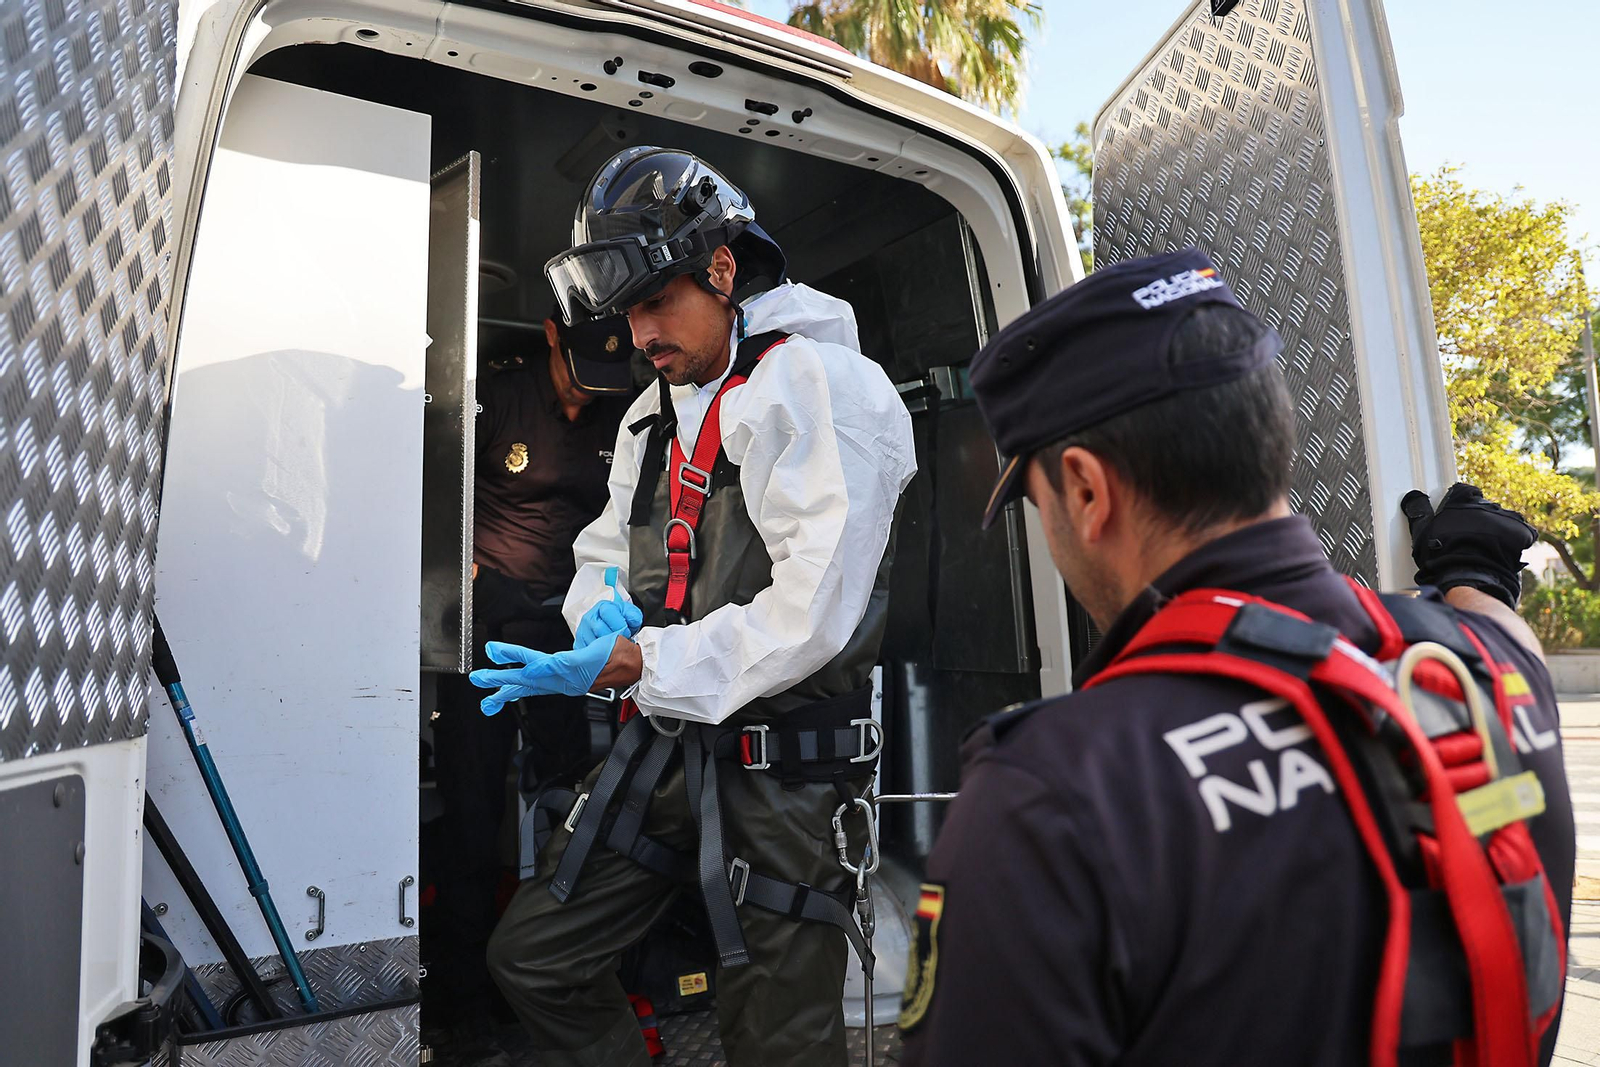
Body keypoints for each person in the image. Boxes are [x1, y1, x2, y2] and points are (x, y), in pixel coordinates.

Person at [898, 249, 1575, 1067]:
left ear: (1084, 489)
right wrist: (1471, 576)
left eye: (1037, 505)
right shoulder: (1493, 673)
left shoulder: (1055, 799)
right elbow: (1502, 623)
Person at [469, 146, 916, 1067]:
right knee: (535, 959)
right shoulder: (651, 412)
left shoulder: (821, 386)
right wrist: (600, 614)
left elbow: (814, 609)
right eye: (627, 311)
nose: (638, 334)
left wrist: (648, 663)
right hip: (670, 741)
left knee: (777, 1043)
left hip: (784, 769)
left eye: (656, 301)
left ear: (723, 267)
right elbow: (601, 550)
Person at [425, 307, 635, 1062]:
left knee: (574, 806)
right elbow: (433, 489)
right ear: (553, 335)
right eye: (580, 375)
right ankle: (458, 1001)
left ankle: (551, 979)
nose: (587, 398)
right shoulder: (497, 400)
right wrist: (464, 573)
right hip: (488, 623)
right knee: (475, 815)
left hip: (568, 632)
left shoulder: (620, 411)